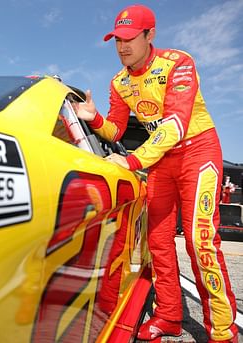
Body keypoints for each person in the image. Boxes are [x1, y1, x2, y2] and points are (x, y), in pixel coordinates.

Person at [73, 4, 238, 342]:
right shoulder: (119, 82)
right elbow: (117, 129)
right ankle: (168, 316)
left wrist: (133, 162)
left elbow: (175, 124)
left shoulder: (179, 63)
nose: (122, 48)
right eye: (117, 40)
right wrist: (94, 119)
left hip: (198, 151)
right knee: (158, 243)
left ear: (150, 35)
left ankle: (223, 330)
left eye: (129, 39)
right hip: (162, 162)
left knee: (199, 240)